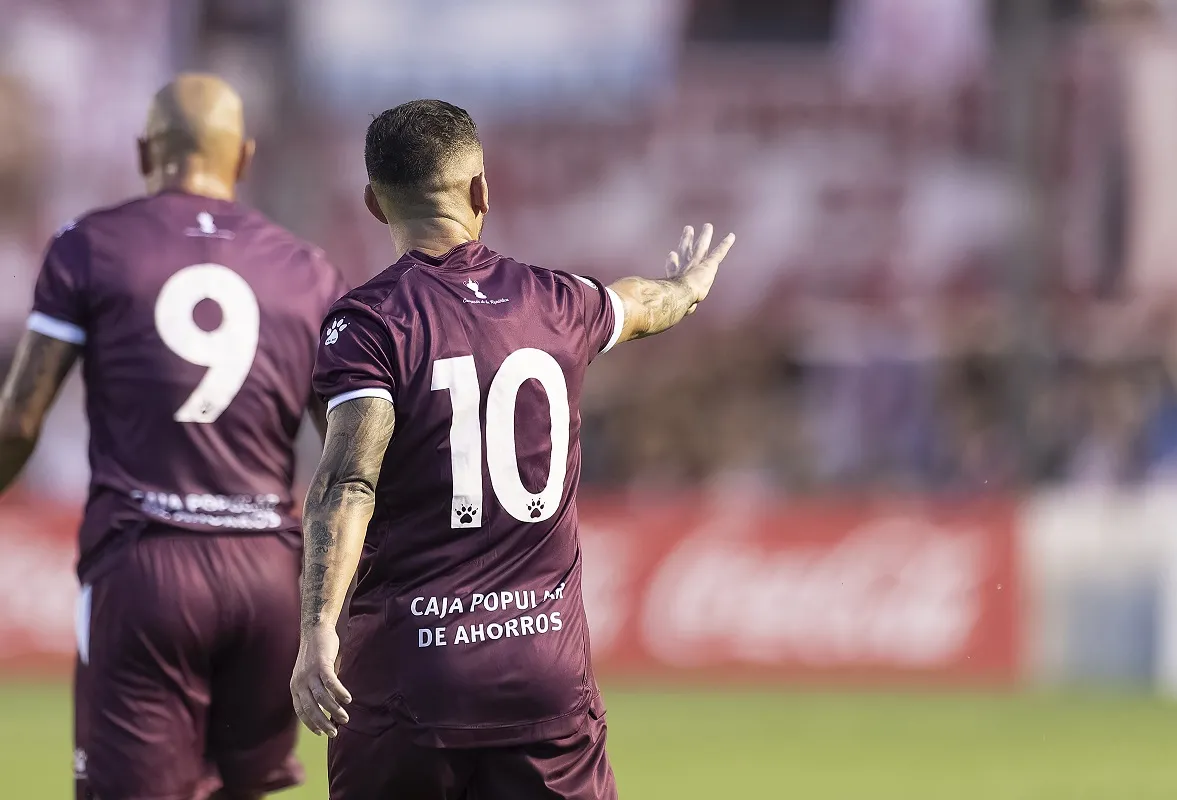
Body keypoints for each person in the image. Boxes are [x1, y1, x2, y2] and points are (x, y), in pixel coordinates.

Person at [291, 99, 735, 800]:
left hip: (411, 679)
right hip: (543, 676)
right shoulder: (557, 303)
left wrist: (317, 626)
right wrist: (688, 286)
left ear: (375, 204)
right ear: (481, 192)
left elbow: (348, 481)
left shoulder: (372, 325)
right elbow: (644, 304)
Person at [0, 73, 345, 800]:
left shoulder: (90, 247)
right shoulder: (308, 271)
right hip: (267, 570)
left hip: (147, 566)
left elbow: (18, 421)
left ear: (142, 151)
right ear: (243, 157)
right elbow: (345, 453)